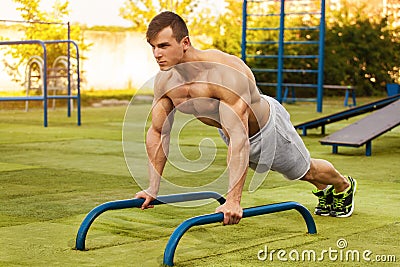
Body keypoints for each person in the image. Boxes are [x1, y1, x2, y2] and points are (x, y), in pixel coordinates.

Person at [134, 11, 356, 225]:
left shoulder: (223, 73)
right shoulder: (166, 82)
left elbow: (240, 136)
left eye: (163, 46)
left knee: (306, 171)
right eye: (152, 47)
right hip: (230, 132)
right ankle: (325, 191)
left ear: (185, 43)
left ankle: (343, 186)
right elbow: (158, 131)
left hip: (266, 129)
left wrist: (233, 201)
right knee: (301, 173)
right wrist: (153, 188)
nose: (156, 54)